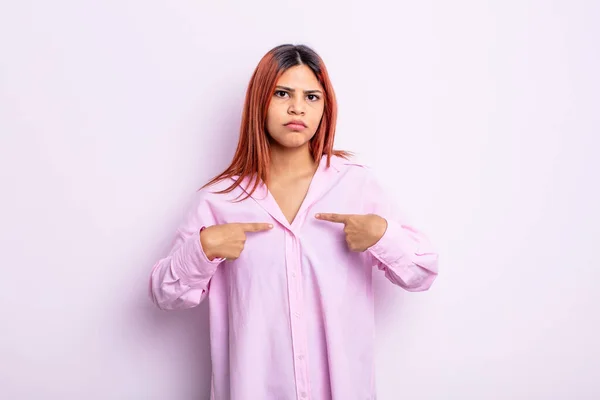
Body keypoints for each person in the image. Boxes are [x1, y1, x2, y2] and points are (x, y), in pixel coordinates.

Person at [149, 43, 439, 400]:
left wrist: (381, 235)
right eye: (282, 93)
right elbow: (164, 294)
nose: (297, 107)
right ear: (260, 102)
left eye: (312, 97)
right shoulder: (220, 200)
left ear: (325, 108)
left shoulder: (357, 186)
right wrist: (204, 248)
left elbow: (423, 271)